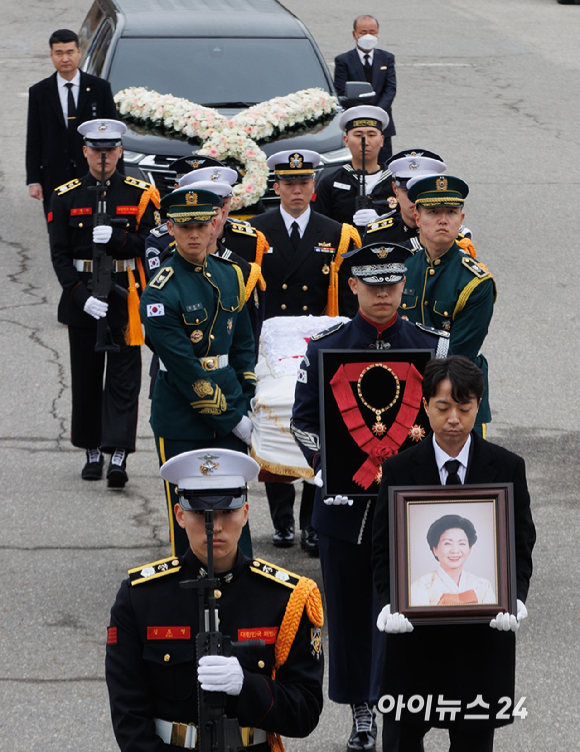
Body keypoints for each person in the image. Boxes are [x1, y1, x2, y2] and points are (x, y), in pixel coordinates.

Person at [290, 243, 449, 752]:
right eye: (372, 284)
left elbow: (451, 420)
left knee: (406, 608)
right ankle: (362, 709)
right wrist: (327, 468)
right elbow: (303, 422)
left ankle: (403, 704)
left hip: (410, 507)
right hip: (346, 507)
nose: (383, 293)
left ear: (405, 285)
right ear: (353, 286)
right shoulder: (322, 347)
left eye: (392, 284)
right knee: (352, 610)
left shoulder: (433, 348)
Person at [105, 448, 324, 752]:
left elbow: (305, 711)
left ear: (245, 513)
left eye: (227, 511)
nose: (216, 526)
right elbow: (129, 715)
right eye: (201, 513)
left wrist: (246, 686)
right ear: (180, 515)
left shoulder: (285, 597)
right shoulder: (140, 597)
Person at [372, 355, 536, 752]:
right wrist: (388, 603)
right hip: (413, 638)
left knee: (474, 742)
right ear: (425, 405)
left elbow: (521, 541)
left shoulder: (506, 467)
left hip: (481, 638)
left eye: (464, 408)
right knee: (401, 739)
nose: (453, 420)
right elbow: (382, 546)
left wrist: (513, 596)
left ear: (478, 406)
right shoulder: (397, 470)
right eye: (443, 407)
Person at [249, 149, 361, 555]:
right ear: (275, 187)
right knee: (276, 427)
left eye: (303, 183)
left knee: (318, 431)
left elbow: (349, 301)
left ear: (314, 187)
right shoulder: (256, 232)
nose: (296, 190)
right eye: (288, 183)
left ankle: (312, 523)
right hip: (273, 350)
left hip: (319, 349)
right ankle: (281, 522)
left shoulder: (337, 233)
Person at [139, 186, 256, 557]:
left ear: (215, 225)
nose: (194, 234)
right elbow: (183, 367)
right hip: (182, 419)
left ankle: (239, 592)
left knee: (234, 509)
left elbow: (241, 343)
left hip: (233, 403)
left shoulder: (230, 274)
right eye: (184, 226)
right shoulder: (160, 291)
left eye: (201, 225)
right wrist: (233, 418)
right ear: (169, 228)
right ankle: (189, 598)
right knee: (189, 514)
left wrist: (249, 397)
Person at [49, 119, 160, 487]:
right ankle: (91, 448)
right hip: (84, 296)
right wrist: (80, 297)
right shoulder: (65, 195)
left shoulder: (139, 193)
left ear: (120, 152)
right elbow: (60, 255)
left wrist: (118, 238)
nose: (103, 157)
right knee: (85, 376)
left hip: (125, 294)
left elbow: (149, 245)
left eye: (110, 150)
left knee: (124, 379)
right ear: (85, 152)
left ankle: (118, 454)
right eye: (96, 150)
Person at [401, 173, 496, 433]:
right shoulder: (402, 268)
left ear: (461, 219)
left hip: (458, 402)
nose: (443, 219)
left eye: (451, 212)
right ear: (417, 217)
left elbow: (458, 355)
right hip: (402, 397)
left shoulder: (476, 281)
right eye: (433, 211)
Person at [26, 29, 119, 218]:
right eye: (59, 53)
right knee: (58, 230)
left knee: (92, 227)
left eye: (69, 52)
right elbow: (34, 138)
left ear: (79, 53)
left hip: (92, 172)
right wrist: (34, 180)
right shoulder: (39, 92)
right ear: (51, 55)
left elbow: (114, 134)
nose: (65, 58)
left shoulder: (99, 88)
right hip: (54, 174)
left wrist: (118, 177)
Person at [313, 106, 397, 228]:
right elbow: (318, 224)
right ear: (346, 140)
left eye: (372, 135)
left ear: (382, 140)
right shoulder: (331, 183)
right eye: (358, 135)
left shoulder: (395, 183)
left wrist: (381, 219)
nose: (365, 142)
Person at [334, 15, 396, 163]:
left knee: (384, 166)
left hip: (382, 123)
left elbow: (390, 89)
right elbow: (342, 91)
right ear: (354, 34)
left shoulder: (386, 58)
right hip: (356, 122)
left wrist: (377, 113)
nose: (368, 36)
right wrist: (363, 113)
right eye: (363, 32)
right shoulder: (344, 61)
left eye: (372, 32)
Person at [409, 514, 496, 606]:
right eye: (447, 543)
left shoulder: (484, 587)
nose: (455, 550)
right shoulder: (421, 587)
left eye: (462, 543)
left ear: (469, 549)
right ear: (435, 550)